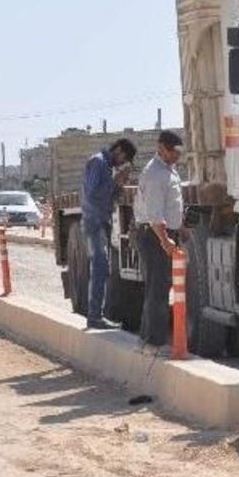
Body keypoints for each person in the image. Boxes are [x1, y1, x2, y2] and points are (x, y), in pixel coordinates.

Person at [80, 137, 137, 329]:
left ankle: (97, 314)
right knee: (100, 267)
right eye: (124, 159)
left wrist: (119, 184)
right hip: (94, 221)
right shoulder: (98, 162)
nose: (122, 163)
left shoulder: (107, 166)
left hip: (101, 221)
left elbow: (110, 197)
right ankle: (94, 317)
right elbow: (93, 194)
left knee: (103, 269)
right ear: (118, 150)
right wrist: (115, 181)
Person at [136, 130, 185, 346]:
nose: (177, 156)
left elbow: (171, 204)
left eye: (179, 152)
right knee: (157, 288)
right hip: (154, 235)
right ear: (161, 148)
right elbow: (154, 214)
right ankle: (154, 341)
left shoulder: (169, 169)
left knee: (160, 287)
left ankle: (149, 337)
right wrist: (165, 240)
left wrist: (180, 228)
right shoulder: (155, 173)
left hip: (163, 233)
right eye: (173, 151)